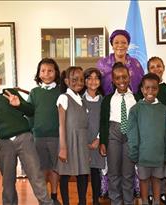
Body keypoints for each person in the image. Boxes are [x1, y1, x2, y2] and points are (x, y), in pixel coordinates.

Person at [0, 65, 53, 205]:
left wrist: (19, 105)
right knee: (8, 180)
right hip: (4, 143)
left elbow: (30, 111)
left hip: (24, 139)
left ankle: (46, 203)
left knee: (36, 175)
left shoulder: (9, 93)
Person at [127, 73, 166, 205]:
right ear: (142, 89)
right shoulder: (136, 110)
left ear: (158, 89)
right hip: (142, 156)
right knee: (143, 180)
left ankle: (157, 201)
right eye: (147, 88)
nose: (150, 91)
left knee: (157, 179)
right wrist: (134, 153)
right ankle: (145, 201)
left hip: (159, 156)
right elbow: (132, 134)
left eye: (154, 88)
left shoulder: (163, 109)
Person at [99, 62, 137, 205]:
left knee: (128, 173)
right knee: (114, 172)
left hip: (130, 136)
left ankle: (128, 201)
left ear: (129, 77)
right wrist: (103, 141)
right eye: (118, 78)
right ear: (113, 80)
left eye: (124, 77)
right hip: (113, 135)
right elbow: (103, 122)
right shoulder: (108, 99)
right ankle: (115, 201)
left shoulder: (136, 98)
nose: (121, 81)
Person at [27, 58, 61, 205]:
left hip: (56, 137)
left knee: (55, 168)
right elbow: (29, 114)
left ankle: (54, 195)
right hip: (38, 137)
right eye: (43, 71)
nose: (46, 74)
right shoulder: (34, 93)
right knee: (41, 169)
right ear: (39, 73)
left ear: (56, 73)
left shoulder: (61, 91)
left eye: (50, 71)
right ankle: (44, 198)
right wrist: (32, 132)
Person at [56, 66, 90, 205]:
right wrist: (63, 148)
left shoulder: (81, 99)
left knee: (83, 174)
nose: (79, 82)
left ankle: (82, 202)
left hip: (81, 141)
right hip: (69, 141)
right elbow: (61, 124)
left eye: (82, 80)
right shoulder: (64, 97)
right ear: (66, 81)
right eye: (74, 79)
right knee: (65, 174)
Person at [82, 67, 105, 205]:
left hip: (97, 142)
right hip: (83, 142)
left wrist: (99, 139)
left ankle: (95, 200)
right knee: (83, 173)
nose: (93, 81)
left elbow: (105, 122)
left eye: (96, 78)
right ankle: (82, 200)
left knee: (96, 173)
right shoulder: (79, 100)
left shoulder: (104, 101)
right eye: (89, 78)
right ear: (84, 81)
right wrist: (84, 141)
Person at [96, 29, 144, 95]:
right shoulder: (103, 64)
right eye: (116, 42)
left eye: (124, 43)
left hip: (133, 102)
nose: (120, 45)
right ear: (112, 45)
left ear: (128, 45)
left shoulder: (136, 64)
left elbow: (142, 85)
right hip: (108, 102)